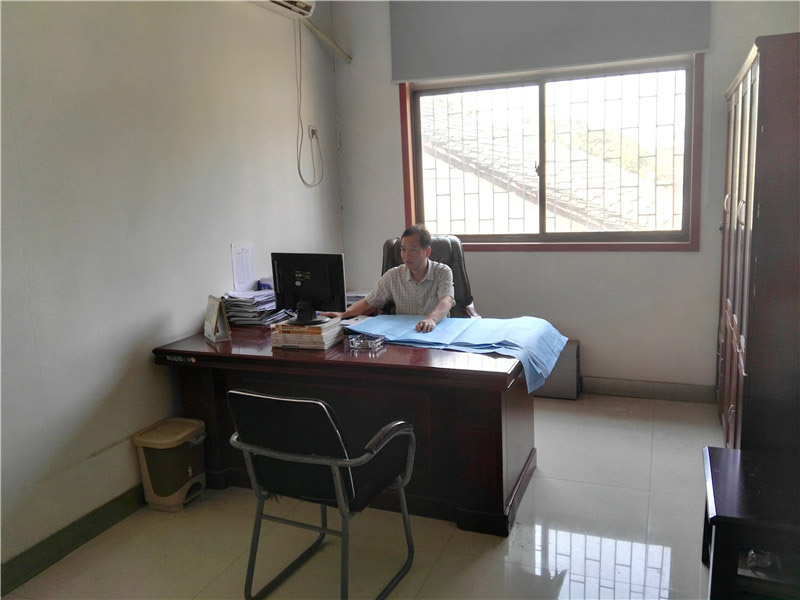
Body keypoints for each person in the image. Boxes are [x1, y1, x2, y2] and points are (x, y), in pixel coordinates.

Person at [324, 224, 455, 332]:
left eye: (412, 249)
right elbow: (369, 302)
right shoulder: (393, 276)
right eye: (403, 249)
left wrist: (431, 319)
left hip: (436, 330)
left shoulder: (442, 272)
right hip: (404, 333)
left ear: (427, 252)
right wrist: (343, 314)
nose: (406, 255)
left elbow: (447, 300)